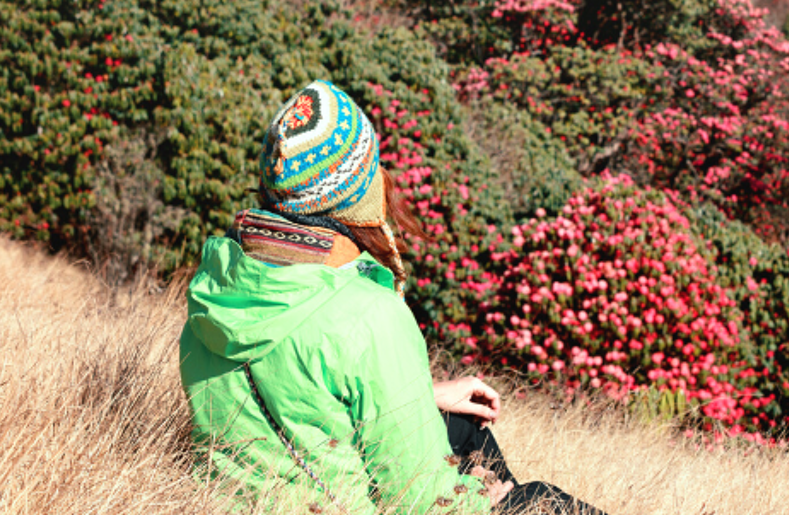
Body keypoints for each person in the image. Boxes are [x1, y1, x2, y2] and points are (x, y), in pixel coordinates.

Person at [181, 78, 607, 515]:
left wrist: (422, 394)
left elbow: (295, 389)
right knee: (539, 498)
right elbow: (422, 502)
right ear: (355, 191)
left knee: (462, 427)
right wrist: (482, 499)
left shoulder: (216, 285)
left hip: (239, 503)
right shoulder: (368, 315)